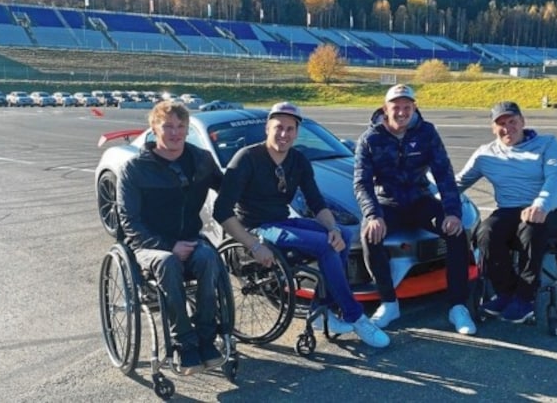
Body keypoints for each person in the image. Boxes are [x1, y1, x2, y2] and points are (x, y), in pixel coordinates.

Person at [213, 101, 390, 348]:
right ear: (268, 128)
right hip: (256, 227)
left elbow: (317, 203)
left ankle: (322, 311)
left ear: (297, 132)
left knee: (343, 236)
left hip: (283, 221)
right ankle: (355, 316)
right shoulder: (247, 158)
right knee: (325, 247)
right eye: (279, 128)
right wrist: (253, 246)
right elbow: (221, 211)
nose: (284, 134)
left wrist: (333, 229)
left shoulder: (298, 160)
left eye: (290, 129)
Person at [353, 84, 477, 335]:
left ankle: (458, 306)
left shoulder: (426, 132)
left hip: (421, 200)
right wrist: (373, 215)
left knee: (456, 230)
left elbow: (444, 174)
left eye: (407, 107)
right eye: (396, 107)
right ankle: (389, 302)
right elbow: (361, 183)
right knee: (369, 234)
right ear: (385, 109)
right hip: (389, 203)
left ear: (414, 108)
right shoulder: (370, 138)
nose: (401, 112)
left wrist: (452, 212)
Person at [117, 100, 225, 375]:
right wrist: (168, 246)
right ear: (154, 129)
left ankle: (206, 337)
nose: (175, 132)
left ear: (188, 129)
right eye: (168, 126)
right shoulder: (135, 169)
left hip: (190, 239)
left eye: (181, 126)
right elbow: (130, 222)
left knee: (209, 256)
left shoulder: (201, 160)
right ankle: (184, 342)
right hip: (149, 246)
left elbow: (229, 188)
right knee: (167, 263)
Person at [455, 101, 557, 323]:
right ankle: (506, 292)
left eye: (512, 121)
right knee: (486, 232)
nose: (507, 128)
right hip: (509, 209)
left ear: (522, 122)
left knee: (530, 229)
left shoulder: (547, 144)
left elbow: (556, 177)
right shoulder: (485, 154)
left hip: (550, 210)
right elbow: (458, 183)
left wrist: (541, 204)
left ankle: (525, 297)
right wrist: (427, 194)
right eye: (500, 123)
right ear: (493, 128)